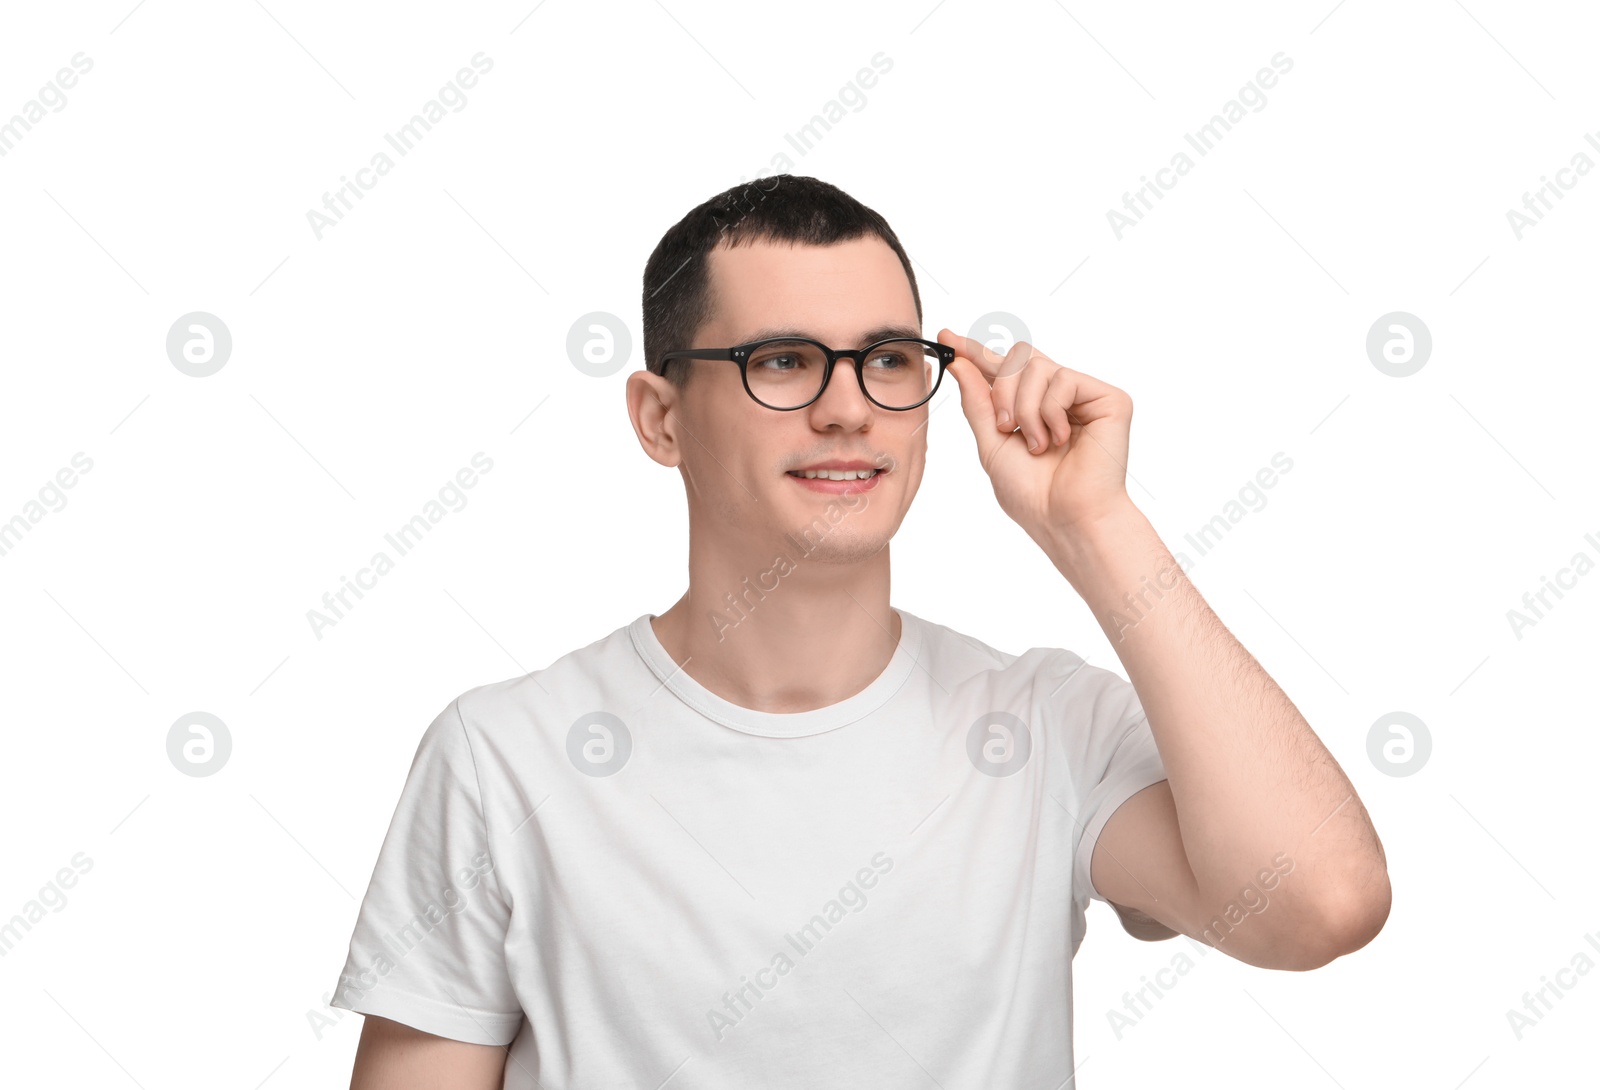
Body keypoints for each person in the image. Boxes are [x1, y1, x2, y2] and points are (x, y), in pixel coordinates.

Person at [331, 175, 1390, 1089]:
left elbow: (1320, 905)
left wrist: (1095, 527)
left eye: (887, 359)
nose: (850, 409)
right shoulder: (504, 756)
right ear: (660, 419)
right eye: (784, 361)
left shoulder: (1044, 726)